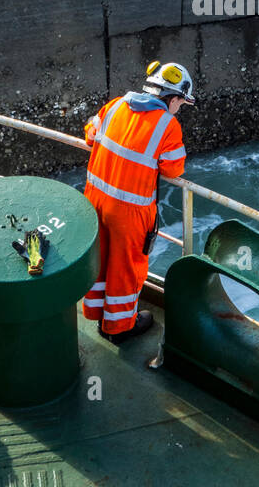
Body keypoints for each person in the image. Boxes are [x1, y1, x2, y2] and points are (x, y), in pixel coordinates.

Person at [81, 62, 195, 344]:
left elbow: (89, 135)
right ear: (173, 97)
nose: (180, 108)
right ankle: (118, 328)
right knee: (125, 268)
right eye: (181, 102)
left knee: (100, 257)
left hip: (94, 200)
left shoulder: (116, 105)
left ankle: (95, 312)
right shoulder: (168, 126)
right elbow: (173, 170)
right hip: (130, 212)